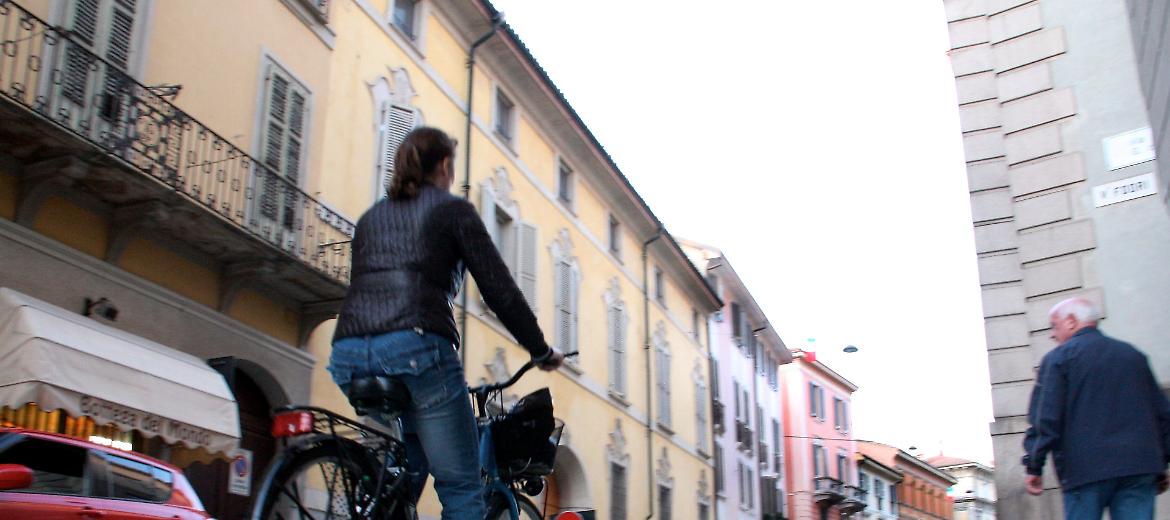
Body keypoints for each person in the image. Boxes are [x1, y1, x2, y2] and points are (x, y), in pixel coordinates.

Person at [328, 126, 564, 519]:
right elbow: (499, 289)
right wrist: (540, 349)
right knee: (461, 488)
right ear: (443, 166)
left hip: (348, 354)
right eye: (450, 167)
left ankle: (384, 504)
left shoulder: (371, 218)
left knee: (406, 468)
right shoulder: (452, 210)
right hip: (417, 351)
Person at [1023, 297, 1170, 519]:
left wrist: (1034, 465)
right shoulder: (1134, 356)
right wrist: (1162, 462)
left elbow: (1045, 418)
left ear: (1071, 321)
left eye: (1054, 326)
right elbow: (1163, 415)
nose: (1052, 334)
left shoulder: (1058, 359)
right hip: (1139, 467)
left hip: (1084, 470)